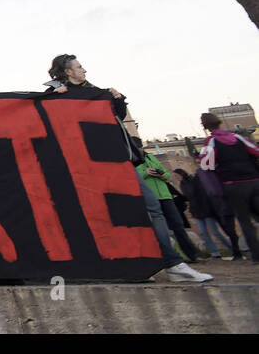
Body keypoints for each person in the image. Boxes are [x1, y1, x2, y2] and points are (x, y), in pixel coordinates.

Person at [44, 54, 211, 282]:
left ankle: (163, 263)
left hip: (117, 158)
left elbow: (118, 119)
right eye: (79, 67)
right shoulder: (55, 94)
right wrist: (54, 100)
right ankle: (156, 264)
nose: (84, 70)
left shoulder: (95, 91)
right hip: (90, 165)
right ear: (68, 72)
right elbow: (45, 121)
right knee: (119, 213)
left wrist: (118, 100)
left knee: (150, 208)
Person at [199, 112, 259, 263]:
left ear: (205, 126)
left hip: (233, 185)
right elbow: (256, 151)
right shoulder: (237, 137)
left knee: (245, 222)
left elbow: (206, 164)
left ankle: (257, 256)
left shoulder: (211, 141)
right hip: (253, 181)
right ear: (219, 122)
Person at [133, 143, 201, 262]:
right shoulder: (131, 160)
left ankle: (191, 255)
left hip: (165, 195)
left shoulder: (151, 158)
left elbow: (167, 175)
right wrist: (145, 172)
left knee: (178, 225)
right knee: (160, 228)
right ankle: (167, 257)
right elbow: (132, 177)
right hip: (149, 197)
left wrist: (163, 175)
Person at [174, 168, 241, 259]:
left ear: (181, 174)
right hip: (195, 210)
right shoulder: (182, 184)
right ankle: (215, 253)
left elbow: (200, 194)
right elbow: (188, 196)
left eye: (177, 176)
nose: (176, 178)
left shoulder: (194, 180)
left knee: (215, 232)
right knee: (203, 232)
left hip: (206, 210)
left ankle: (233, 249)